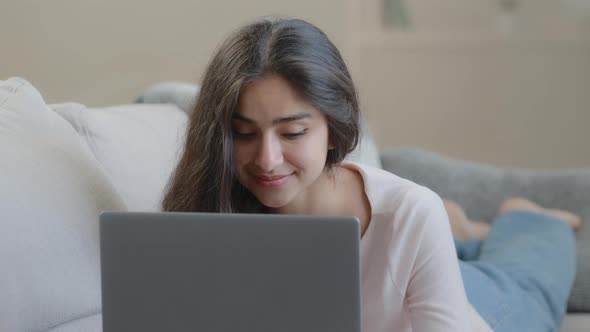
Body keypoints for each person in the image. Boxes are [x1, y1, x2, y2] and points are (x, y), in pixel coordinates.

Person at [161, 17, 580, 332]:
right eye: (244, 133)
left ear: (332, 130)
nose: (267, 159)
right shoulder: (212, 206)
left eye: (292, 132)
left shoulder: (411, 210)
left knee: (529, 275)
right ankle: (455, 232)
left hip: (479, 309)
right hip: (411, 280)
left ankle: (526, 215)